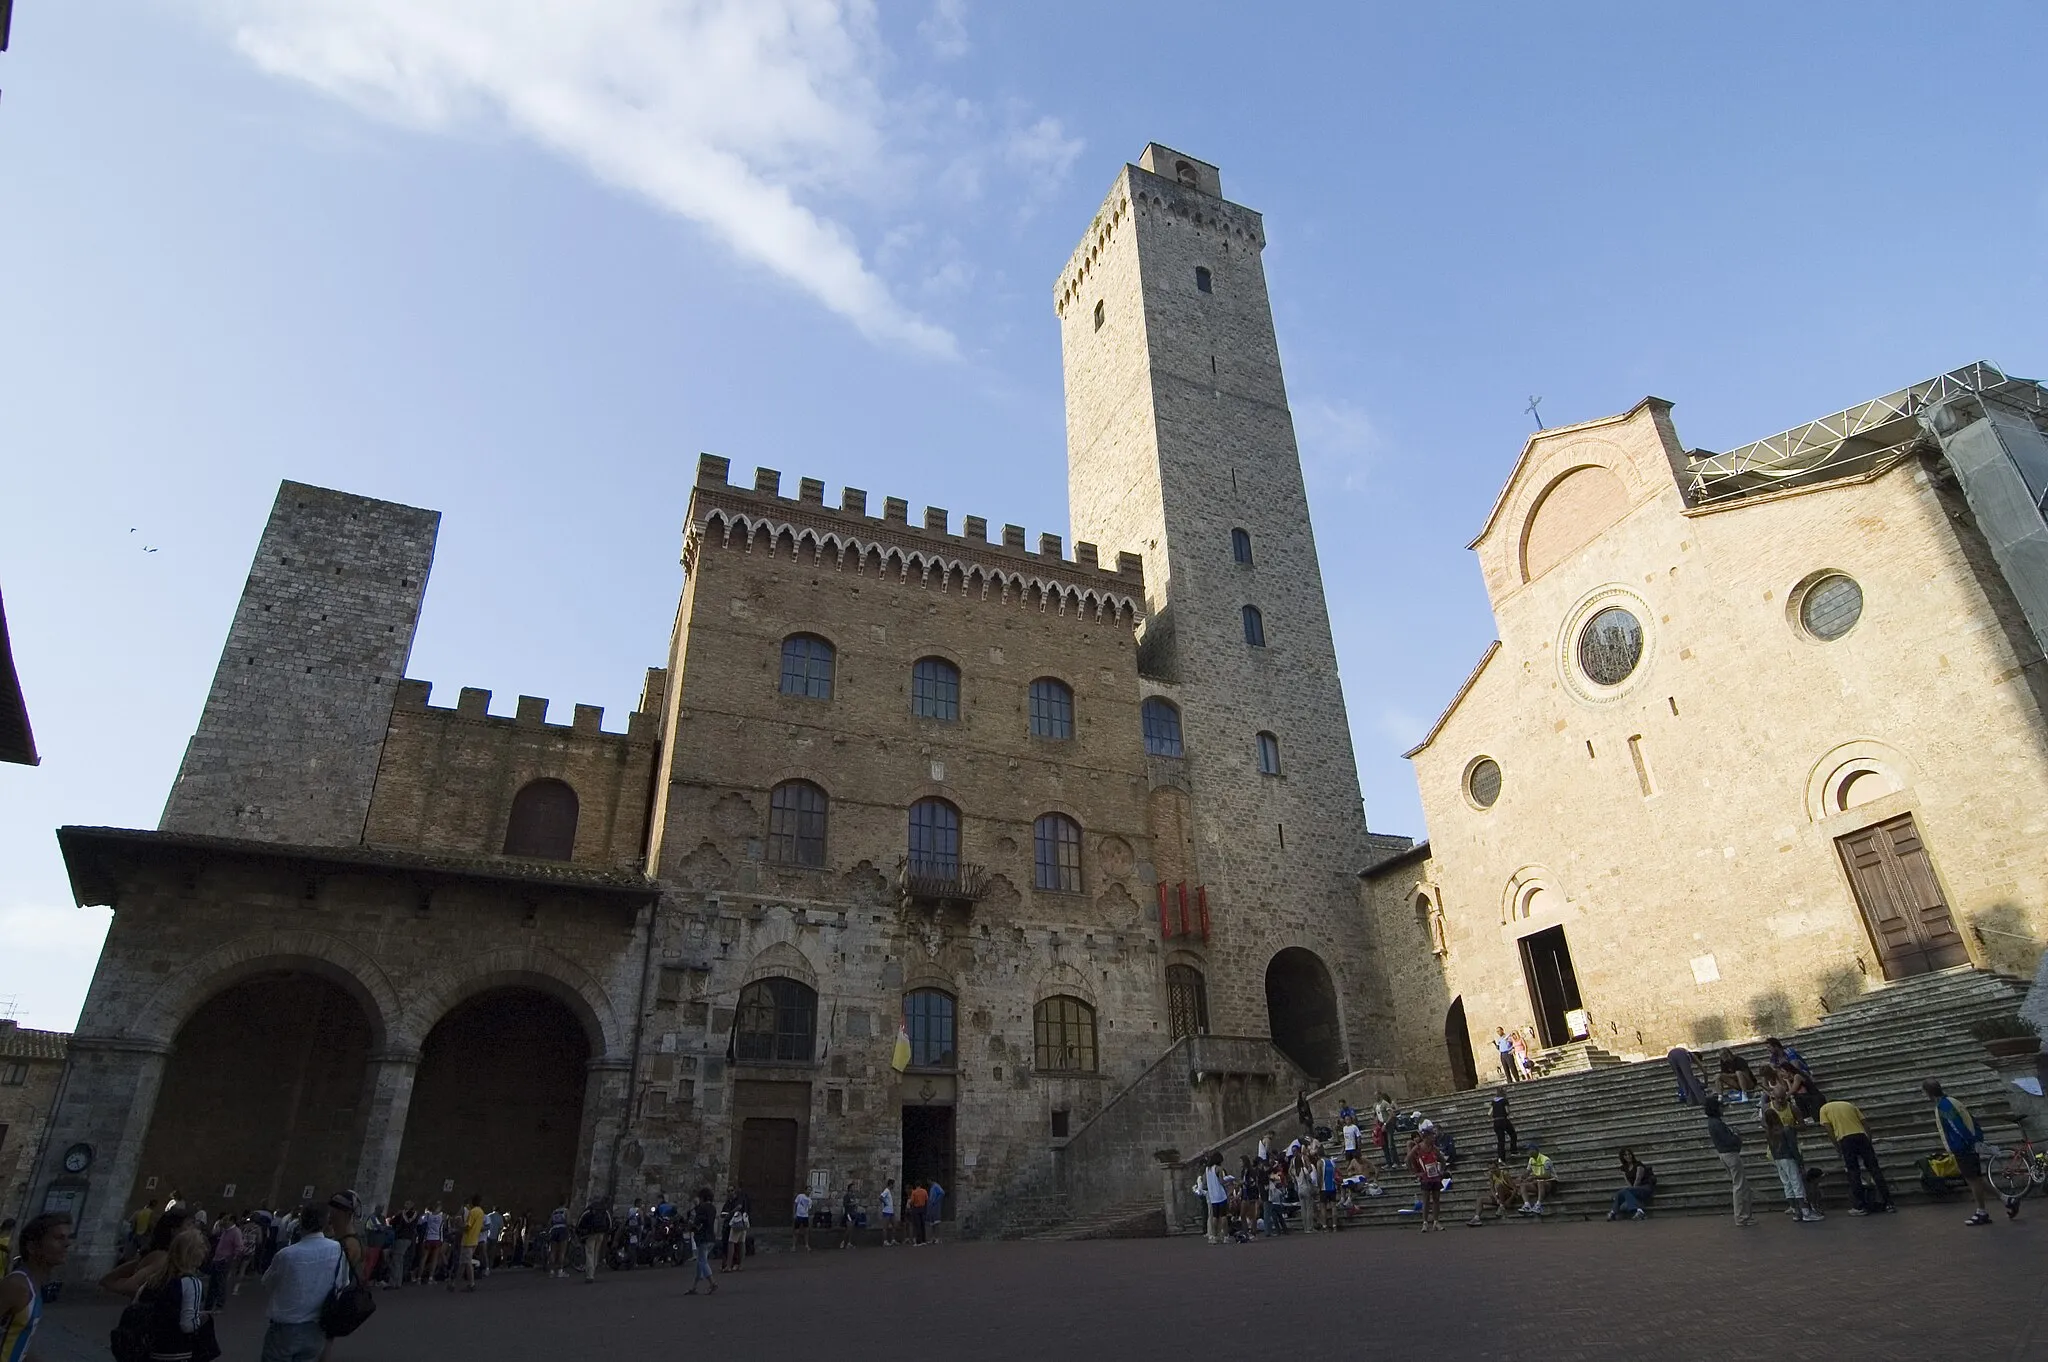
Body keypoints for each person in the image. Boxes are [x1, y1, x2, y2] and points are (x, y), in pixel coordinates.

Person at [260, 1205, 339, 1362]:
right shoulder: (337, 1249)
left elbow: (267, 1283)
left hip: (286, 1326)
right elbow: (342, 1283)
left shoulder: (287, 1254)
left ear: (300, 1222)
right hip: (317, 1326)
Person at [1922, 1079, 2000, 1225]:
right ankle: (2005, 1199)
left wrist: (1967, 1142)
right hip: (1968, 1144)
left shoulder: (1944, 1106)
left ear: (1928, 1093)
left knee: (1972, 1179)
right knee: (1977, 1179)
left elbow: (1956, 1126)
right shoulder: (1952, 1101)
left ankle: (1981, 1211)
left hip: (1963, 1147)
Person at [0, 1214, 71, 1362]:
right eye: (58, 1238)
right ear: (32, 1247)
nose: (67, 1244)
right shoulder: (17, 1285)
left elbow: (21, 1343)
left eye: (67, 1237)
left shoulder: (33, 1285)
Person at [145, 1227, 210, 1362]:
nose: (205, 1253)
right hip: (177, 1351)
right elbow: (187, 1325)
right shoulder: (192, 1282)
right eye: (201, 1248)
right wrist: (201, 1319)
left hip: (151, 1348)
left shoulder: (155, 1279)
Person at [1702, 1097, 1754, 1226]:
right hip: (1730, 1154)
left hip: (1724, 1154)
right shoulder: (1717, 1123)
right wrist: (1736, 1136)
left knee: (1739, 1184)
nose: (1722, 1108)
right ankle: (1741, 1216)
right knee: (1739, 1185)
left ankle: (1744, 1215)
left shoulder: (1713, 1122)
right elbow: (1729, 1141)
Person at [1406, 1121, 1447, 1231]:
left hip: (1435, 1176)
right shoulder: (1418, 1148)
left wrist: (1441, 1171)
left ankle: (1436, 1221)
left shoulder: (1434, 1148)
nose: (1433, 1137)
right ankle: (1425, 1222)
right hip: (1425, 1176)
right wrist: (1415, 1173)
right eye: (1431, 1135)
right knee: (1426, 1199)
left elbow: (1442, 1161)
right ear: (1426, 1137)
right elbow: (1408, 1159)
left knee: (1436, 1199)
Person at [205, 1213, 244, 1311]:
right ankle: (209, 1305)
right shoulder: (225, 1231)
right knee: (213, 1283)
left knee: (220, 1283)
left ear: (232, 1221)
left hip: (224, 1260)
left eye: (226, 1220)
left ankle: (219, 1305)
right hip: (217, 1259)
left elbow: (239, 1247)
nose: (224, 1221)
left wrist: (231, 1259)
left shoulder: (235, 1232)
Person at [683, 1189, 718, 1295]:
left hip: (703, 1238)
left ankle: (712, 1282)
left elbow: (698, 1222)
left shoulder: (702, 1208)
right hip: (711, 1237)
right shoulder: (713, 1208)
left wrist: (690, 1225)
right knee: (700, 1263)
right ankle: (694, 1287)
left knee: (702, 1261)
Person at [1466, 1161, 1520, 1226]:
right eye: (1490, 1169)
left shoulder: (1505, 1174)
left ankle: (1501, 1207)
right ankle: (1476, 1218)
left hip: (1509, 1195)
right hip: (1500, 1197)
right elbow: (1492, 1189)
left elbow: (1515, 1189)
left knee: (1499, 1185)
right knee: (1480, 1199)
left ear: (1498, 1167)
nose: (1492, 1170)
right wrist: (1496, 1198)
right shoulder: (1491, 1175)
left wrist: (1509, 1200)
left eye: (1494, 1168)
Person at [1607, 1149, 1657, 1220]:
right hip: (1634, 1190)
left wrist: (1629, 1191)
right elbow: (1628, 1183)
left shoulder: (1639, 1165)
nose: (1628, 1156)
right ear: (1623, 1157)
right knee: (1626, 1192)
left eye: (1629, 1154)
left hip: (1645, 1187)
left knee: (1623, 1192)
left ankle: (1613, 1212)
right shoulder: (1623, 1168)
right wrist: (1629, 1192)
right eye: (1626, 1155)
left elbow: (1638, 1180)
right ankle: (1639, 1211)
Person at [576, 1199, 613, 1283]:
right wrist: (607, 1232)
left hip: (590, 1233)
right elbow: (609, 1222)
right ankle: (593, 1268)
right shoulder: (604, 1210)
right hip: (601, 1233)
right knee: (596, 1252)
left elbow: (580, 1221)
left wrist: (579, 1231)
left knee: (589, 1253)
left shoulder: (589, 1210)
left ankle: (590, 1274)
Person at [454, 1194, 483, 1291]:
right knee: (463, 1262)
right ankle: (454, 1284)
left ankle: (471, 1284)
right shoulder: (481, 1212)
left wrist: (459, 1225)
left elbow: (468, 1226)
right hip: (474, 1239)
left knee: (467, 1262)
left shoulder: (473, 1212)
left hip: (468, 1240)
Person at [385, 1202, 416, 1288]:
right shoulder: (414, 1215)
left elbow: (392, 1222)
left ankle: (393, 1283)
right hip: (409, 1239)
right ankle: (398, 1282)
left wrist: (395, 1218)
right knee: (400, 1260)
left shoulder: (405, 1214)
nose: (405, 1205)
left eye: (407, 1204)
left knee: (396, 1260)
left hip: (402, 1238)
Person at [1202, 1156, 1229, 1244]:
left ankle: (1214, 1236)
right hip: (1221, 1195)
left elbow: (1204, 1184)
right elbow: (1221, 1181)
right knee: (1223, 1216)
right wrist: (1229, 1181)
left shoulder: (1207, 1170)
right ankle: (1225, 1236)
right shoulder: (1219, 1169)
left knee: (1215, 1217)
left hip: (1213, 1197)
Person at [1520, 1147, 1554, 1214]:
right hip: (1537, 1182)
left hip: (1550, 1182)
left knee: (1540, 1182)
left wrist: (1534, 1177)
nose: (1527, 1152)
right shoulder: (1531, 1160)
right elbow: (1528, 1171)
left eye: (1528, 1150)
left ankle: (1538, 1205)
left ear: (1535, 1151)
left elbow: (1548, 1176)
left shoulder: (1546, 1160)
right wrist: (1523, 1177)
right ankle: (1527, 1205)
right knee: (1523, 1185)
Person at [417, 1203, 444, 1283]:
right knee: (434, 1259)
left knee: (423, 1258)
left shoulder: (427, 1215)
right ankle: (430, 1278)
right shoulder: (443, 1216)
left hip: (428, 1238)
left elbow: (419, 1222)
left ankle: (419, 1278)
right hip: (437, 1239)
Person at [1489, 1091, 1518, 1162]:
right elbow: (1507, 1111)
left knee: (1500, 1140)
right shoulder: (1504, 1100)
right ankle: (1513, 1151)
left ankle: (1501, 1158)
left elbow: (1489, 1113)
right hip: (1503, 1120)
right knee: (1513, 1134)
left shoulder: (1493, 1101)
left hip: (1496, 1121)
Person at [1373, 1092, 1397, 1170]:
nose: (1376, 1097)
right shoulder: (1375, 1105)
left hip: (1388, 1125)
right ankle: (1388, 1162)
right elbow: (1376, 1115)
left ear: (1380, 1095)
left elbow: (1391, 1114)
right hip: (1380, 1125)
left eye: (1377, 1095)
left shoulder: (1385, 1104)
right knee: (1384, 1145)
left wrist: (1386, 1124)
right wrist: (1377, 1125)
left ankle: (1395, 1162)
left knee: (1390, 1145)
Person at [838, 1180, 861, 1249]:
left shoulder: (853, 1196)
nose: (854, 1188)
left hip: (853, 1213)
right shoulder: (847, 1196)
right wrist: (852, 1204)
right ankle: (843, 1241)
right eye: (853, 1187)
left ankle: (849, 1243)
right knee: (849, 1228)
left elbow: (854, 1204)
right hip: (848, 1213)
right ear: (850, 1188)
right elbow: (845, 1204)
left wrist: (856, 1207)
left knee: (852, 1229)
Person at [878, 1180, 897, 1246]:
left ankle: (893, 1240)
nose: (894, 1186)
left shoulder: (889, 1191)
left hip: (891, 1211)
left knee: (894, 1225)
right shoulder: (886, 1190)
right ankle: (885, 1241)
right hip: (886, 1211)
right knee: (885, 1227)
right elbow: (880, 1197)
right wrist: (885, 1203)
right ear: (891, 1184)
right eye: (893, 1184)